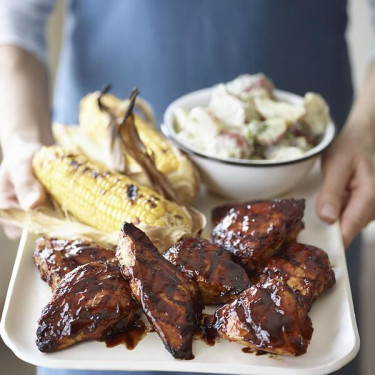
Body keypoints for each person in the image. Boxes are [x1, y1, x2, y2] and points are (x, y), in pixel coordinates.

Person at [0, 1, 374, 374]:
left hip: (321, 166)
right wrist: (22, 142)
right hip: (99, 133)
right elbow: (13, 22)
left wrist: (367, 132)